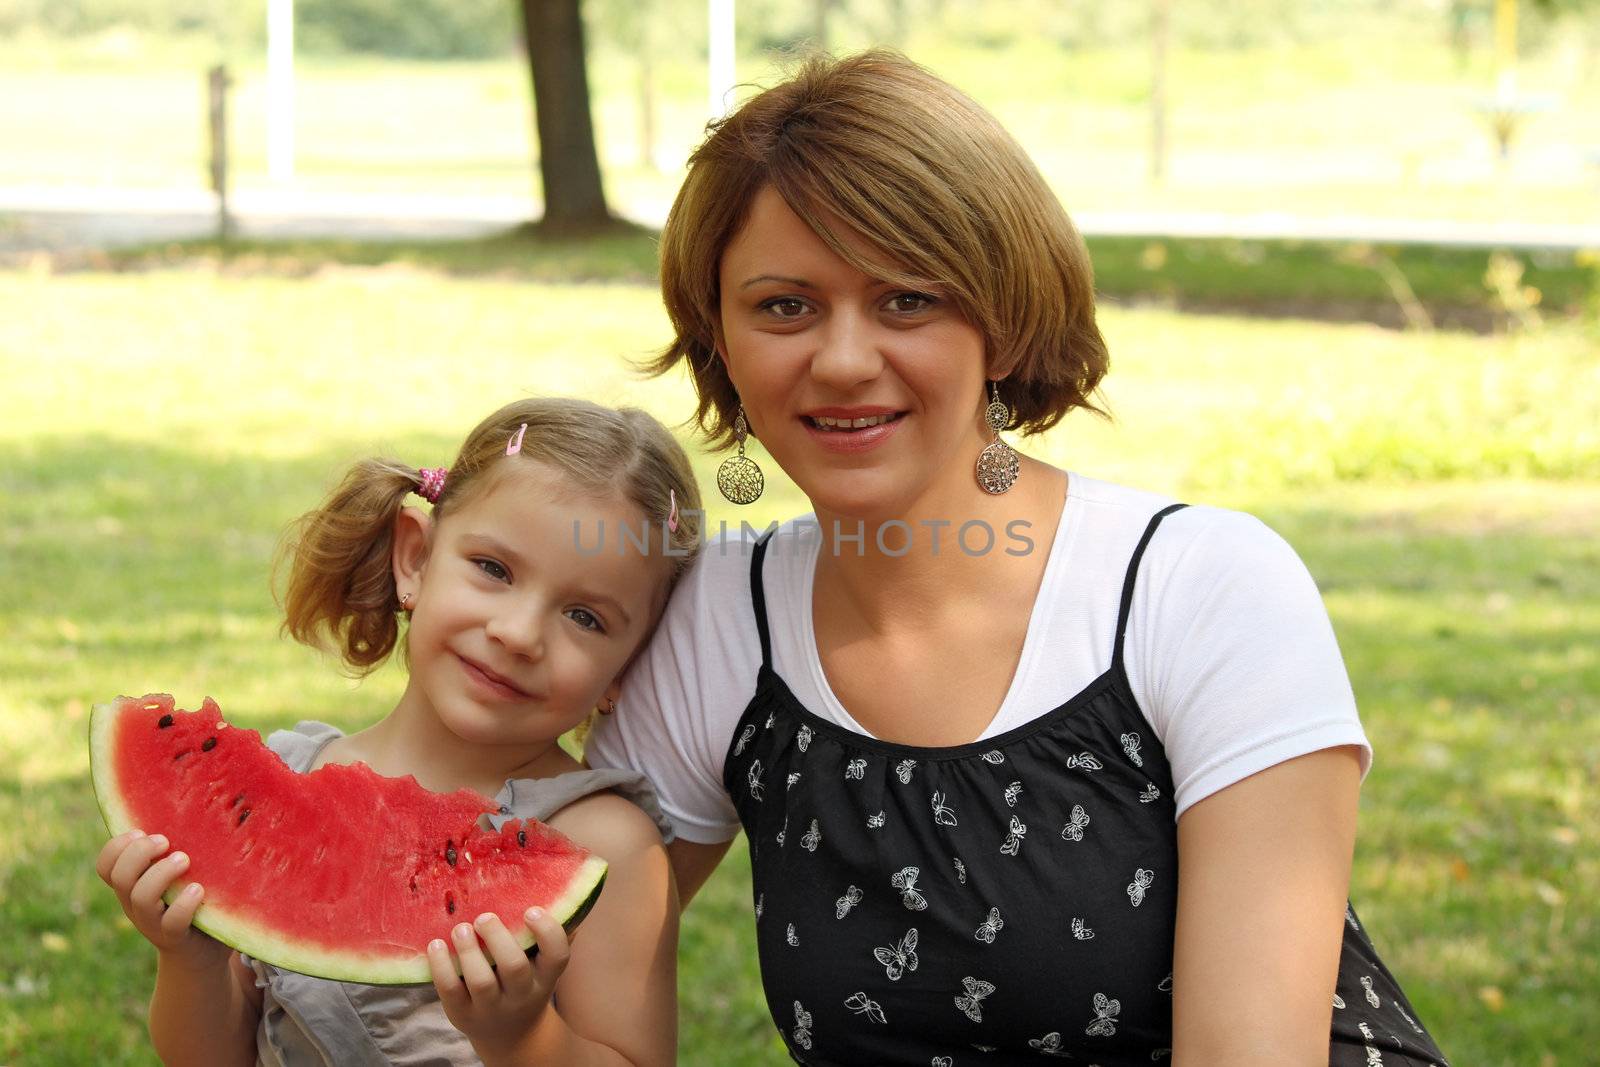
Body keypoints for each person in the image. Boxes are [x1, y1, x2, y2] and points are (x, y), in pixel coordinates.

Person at [586, 51, 1451, 1066]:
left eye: (908, 298)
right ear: (719, 339)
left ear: (999, 319)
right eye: (784, 305)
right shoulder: (721, 620)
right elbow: (557, 940)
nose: (844, 358)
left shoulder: (1205, 587)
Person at [95, 397, 699, 1067]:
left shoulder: (604, 845)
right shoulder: (292, 777)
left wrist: (523, 1036)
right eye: (494, 569)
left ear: (631, 666)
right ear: (414, 558)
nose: (518, 633)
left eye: (585, 616)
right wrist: (190, 956)